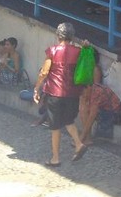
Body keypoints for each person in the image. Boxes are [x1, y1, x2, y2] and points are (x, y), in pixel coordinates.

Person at [33, 22, 89, 166]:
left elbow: (44, 72)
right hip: (73, 93)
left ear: (58, 35)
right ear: (72, 36)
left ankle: (55, 158)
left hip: (55, 93)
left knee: (55, 126)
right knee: (68, 120)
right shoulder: (78, 51)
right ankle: (78, 144)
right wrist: (86, 47)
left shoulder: (52, 51)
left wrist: (37, 88)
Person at [79, 54, 121, 144]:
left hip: (113, 113)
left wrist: (81, 137)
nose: (83, 95)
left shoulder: (96, 92)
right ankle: (88, 138)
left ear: (88, 88)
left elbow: (92, 115)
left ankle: (85, 137)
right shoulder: (90, 90)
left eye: (83, 93)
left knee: (88, 110)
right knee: (83, 107)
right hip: (104, 109)